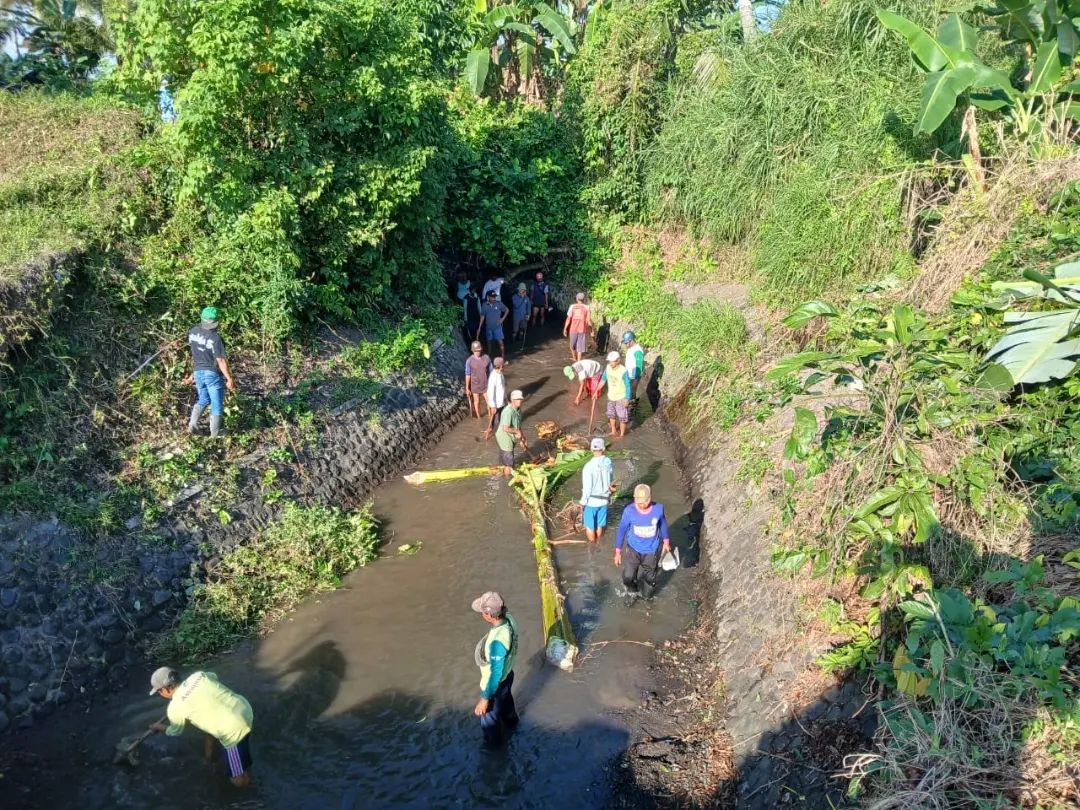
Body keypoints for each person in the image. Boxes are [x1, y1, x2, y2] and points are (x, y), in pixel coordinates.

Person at [147, 667, 254, 788]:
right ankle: (208, 759)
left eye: (159, 692)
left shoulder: (175, 708)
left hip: (233, 730)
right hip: (244, 708)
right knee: (209, 729)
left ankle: (249, 791)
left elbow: (175, 731)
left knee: (236, 777)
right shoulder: (198, 676)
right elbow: (214, 677)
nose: (160, 695)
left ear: (165, 689)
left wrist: (157, 726)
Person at [471, 591, 519, 747]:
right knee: (506, 705)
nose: (482, 614)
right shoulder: (510, 620)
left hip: (495, 686)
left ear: (489, 615)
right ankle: (513, 725)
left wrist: (485, 699)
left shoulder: (498, 641)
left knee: (489, 722)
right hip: (508, 676)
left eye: (483, 612)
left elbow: (495, 673)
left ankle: (494, 751)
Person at [614, 484, 671, 606]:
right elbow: (621, 530)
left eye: (645, 501)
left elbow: (663, 525)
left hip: (651, 550)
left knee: (650, 580)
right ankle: (632, 592)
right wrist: (617, 551)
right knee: (628, 577)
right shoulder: (629, 511)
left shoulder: (658, 510)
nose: (642, 505)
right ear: (634, 499)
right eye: (638, 502)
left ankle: (647, 598)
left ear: (650, 498)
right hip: (633, 549)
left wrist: (666, 541)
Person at [186, 306, 236, 438]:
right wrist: (229, 379)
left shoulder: (193, 332)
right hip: (211, 374)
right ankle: (216, 433)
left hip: (198, 372)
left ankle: (193, 425)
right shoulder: (215, 338)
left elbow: (195, 354)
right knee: (216, 404)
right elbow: (220, 361)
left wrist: (192, 374)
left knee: (203, 399)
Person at [579, 437, 615, 543]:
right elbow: (611, 480)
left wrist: (582, 502)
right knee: (600, 525)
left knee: (590, 527)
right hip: (604, 500)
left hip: (591, 502)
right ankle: (599, 542)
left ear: (591, 449)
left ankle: (593, 546)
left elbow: (587, 488)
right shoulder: (608, 462)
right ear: (603, 449)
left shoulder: (588, 467)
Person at [495, 389, 528, 476]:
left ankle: (502, 469)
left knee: (505, 458)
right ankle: (507, 478)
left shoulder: (518, 410)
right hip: (504, 437)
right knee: (509, 464)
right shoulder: (508, 412)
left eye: (521, 399)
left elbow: (518, 425)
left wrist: (522, 439)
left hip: (510, 436)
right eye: (518, 399)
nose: (520, 401)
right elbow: (505, 428)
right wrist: (517, 431)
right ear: (513, 400)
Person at [601, 351, 632, 438]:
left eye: (613, 361)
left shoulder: (623, 371)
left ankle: (621, 435)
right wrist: (596, 391)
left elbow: (628, 386)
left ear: (618, 360)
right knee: (611, 415)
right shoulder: (607, 368)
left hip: (621, 398)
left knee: (622, 417)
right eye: (610, 361)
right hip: (611, 396)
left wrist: (627, 398)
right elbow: (603, 380)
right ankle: (613, 431)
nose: (611, 363)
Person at [465, 341, 492, 420]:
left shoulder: (486, 358)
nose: (478, 352)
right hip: (475, 385)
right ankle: (479, 417)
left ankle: (491, 416)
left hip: (486, 384)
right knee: (476, 401)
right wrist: (467, 388)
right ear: (473, 351)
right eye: (476, 351)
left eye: (479, 350)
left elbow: (491, 371)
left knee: (489, 401)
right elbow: (467, 374)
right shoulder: (469, 361)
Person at [478, 289, 509, 358]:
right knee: (489, 342)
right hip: (488, 327)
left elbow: (507, 310)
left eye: (495, 296)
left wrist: (502, 319)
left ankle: (503, 356)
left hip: (497, 327)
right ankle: (490, 355)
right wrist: (479, 327)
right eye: (492, 297)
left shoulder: (499, 303)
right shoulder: (484, 305)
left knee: (500, 342)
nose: (494, 298)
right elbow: (482, 316)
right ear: (488, 297)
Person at [563, 292, 592, 362]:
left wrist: (565, 329)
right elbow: (588, 321)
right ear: (584, 299)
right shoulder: (587, 307)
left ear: (576, 299)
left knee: (572, 346)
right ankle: (579, 361)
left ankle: (574, 358)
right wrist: (592, 330)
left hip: (573, 329)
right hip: (582, 330)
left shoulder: (572, 306)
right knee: (580, 347)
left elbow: (568, 319)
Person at [484, 356, 507, 439]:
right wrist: (493, 406)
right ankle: (497, 433)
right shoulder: (493, 377)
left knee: (501, 417)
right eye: (503, 365)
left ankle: (493, 429)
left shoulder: (500, 373)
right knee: (497, 419)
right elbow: (490, 392)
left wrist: (505, 398)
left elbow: (503, 387)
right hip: (496, 403)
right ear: (500, 366)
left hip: (501, 401)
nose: (504, 367)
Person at [622, 331, 646, 400]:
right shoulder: (631, 349)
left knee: (632, 393)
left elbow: (639, 366)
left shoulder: (637, 351)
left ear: (631, 341)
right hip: (629, 375)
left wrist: (635, 380)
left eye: (626, 343)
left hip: (634, 377)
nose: (626, 345)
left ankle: (632, 407)